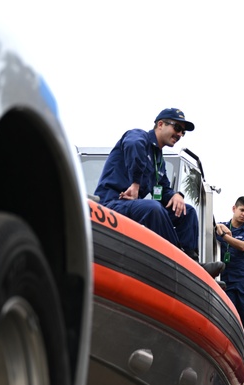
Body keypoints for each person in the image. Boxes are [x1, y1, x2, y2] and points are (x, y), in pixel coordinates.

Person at [94, 108, 223, 277]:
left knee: (187, 211)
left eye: (183, 132)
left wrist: (177, 195)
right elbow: (133, 146)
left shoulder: (158, 161)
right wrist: (135, 182)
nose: (180, 134)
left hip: (132, 206)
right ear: (160, 124)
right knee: (153, 208)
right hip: (112, 204)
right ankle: (179, 262)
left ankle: (192, 261)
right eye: (177, 128)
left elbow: (163, 190)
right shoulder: (137, 136)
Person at [215, 197, 244, 331]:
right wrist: (217, 226)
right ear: (234, 209)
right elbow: (210, 226)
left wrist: (224, 236)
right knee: (227, 316)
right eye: (242, 210)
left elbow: (243, 246)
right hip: (226, 280)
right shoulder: (220, 227)